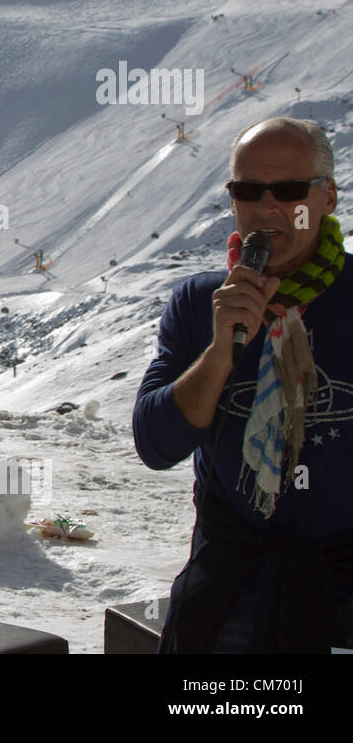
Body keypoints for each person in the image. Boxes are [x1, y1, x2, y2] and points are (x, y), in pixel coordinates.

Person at [133, 116, 353, 652]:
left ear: (328, 198)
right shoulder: (199, 304)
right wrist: (220, 350)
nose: (268, 206)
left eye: (290, 190)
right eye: (248, 190)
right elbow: (155, 444)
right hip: (230, 582)